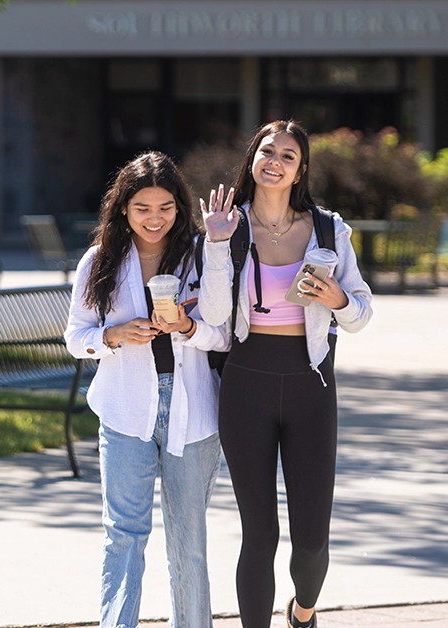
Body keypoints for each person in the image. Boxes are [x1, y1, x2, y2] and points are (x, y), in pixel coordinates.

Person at [197, 120, 373, 628]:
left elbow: (360, 314)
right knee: (260, 534)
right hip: (246, 384)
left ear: (300, 171)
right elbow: (211, 316)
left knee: (313, 539)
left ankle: (303, 611)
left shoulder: (328, 229)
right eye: (267, 151)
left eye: (288, 156)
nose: (275, 161)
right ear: (252, 158)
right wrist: (212, 244)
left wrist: (336, 298)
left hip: (310, 386)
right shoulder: (227, 226)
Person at [65, 151, 230, 628]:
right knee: (123, 534)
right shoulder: (100, 260)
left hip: (192, 411)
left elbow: (221, 331)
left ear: (179, 207)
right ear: (122, 208)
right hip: (124, 413)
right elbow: (77, 338)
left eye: (165, 207)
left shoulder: (201, 255)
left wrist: (185, 327)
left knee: (188, 541)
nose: (154, 219)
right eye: (142, 209)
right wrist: (114, 336)